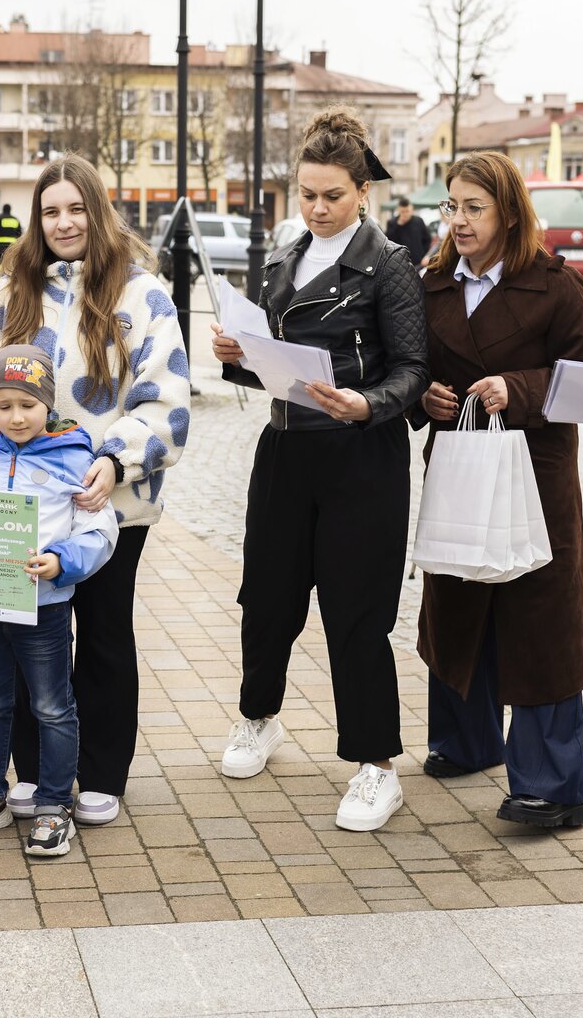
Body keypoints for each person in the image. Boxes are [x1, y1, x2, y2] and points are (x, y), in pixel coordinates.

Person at [0, 153, 190, 826]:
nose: (65, 222)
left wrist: (116, 460)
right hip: (18, 504)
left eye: (77, 208)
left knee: (104, 635)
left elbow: (164, 395)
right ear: (36, 220)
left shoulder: (141, 294)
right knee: (21, 635)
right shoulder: (9, 290)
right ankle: (33, 771)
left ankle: (100, 773)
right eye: (51, 211)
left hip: (107, 504)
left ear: (99, 213)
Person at [210, 107, 428, 832]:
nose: (318, 208)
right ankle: (258, 717)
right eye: (307, 194)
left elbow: (413, 369)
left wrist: (368, 405)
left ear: (362, 191)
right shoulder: (281, 260)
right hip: (285, 450)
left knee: (356, 612)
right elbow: (272, 367)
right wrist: (237, 358)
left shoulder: (389, 265)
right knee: (266, 596)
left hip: (360, 456)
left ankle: (376, 765)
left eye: (333, 195)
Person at [414, 151, 583, 830]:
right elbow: (412, 368)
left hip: (535, 473)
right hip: (461, 462)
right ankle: (465, 742)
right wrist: (425, 396)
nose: (459, 221)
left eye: (475, 208)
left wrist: (516, 388)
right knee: (458, 598)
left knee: (538, 620)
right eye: (452, 206)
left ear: (510, 213)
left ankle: (552, 787)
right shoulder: (433, 283)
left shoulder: (555, 285)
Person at [0, 345, 118, 856]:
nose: (16, 417)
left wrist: (61, 560)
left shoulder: (75, 459)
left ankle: (54, 805)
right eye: (4, 405)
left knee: (53, 706)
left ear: (48, 404)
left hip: (45, 609)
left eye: (27, 405)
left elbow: (100, 530)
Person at [385, 196, 431, 266]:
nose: (405, 214)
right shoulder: (392, 223)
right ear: (398, 210)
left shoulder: (419, 221)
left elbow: (427, 239)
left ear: (411, 209)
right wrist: (399, 225)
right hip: (400, 262)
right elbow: (389, 243)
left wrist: (424, 255)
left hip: (419, 261)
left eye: (407, 211)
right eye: (402, 212)